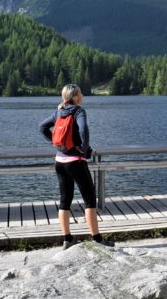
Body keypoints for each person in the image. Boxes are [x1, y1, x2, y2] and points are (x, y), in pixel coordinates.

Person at [39, 84, 114, 249]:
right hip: (76, 162)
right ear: (75, 97)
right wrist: (84, 148)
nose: (82, 94)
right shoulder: (78, 111)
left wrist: (56, 144)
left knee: (64, 200)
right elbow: (84, 130)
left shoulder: (58, 112)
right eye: (80, 92)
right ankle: (97, 239)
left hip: (60, 162)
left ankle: (67, 239)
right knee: (89, 200)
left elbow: (42, 127)